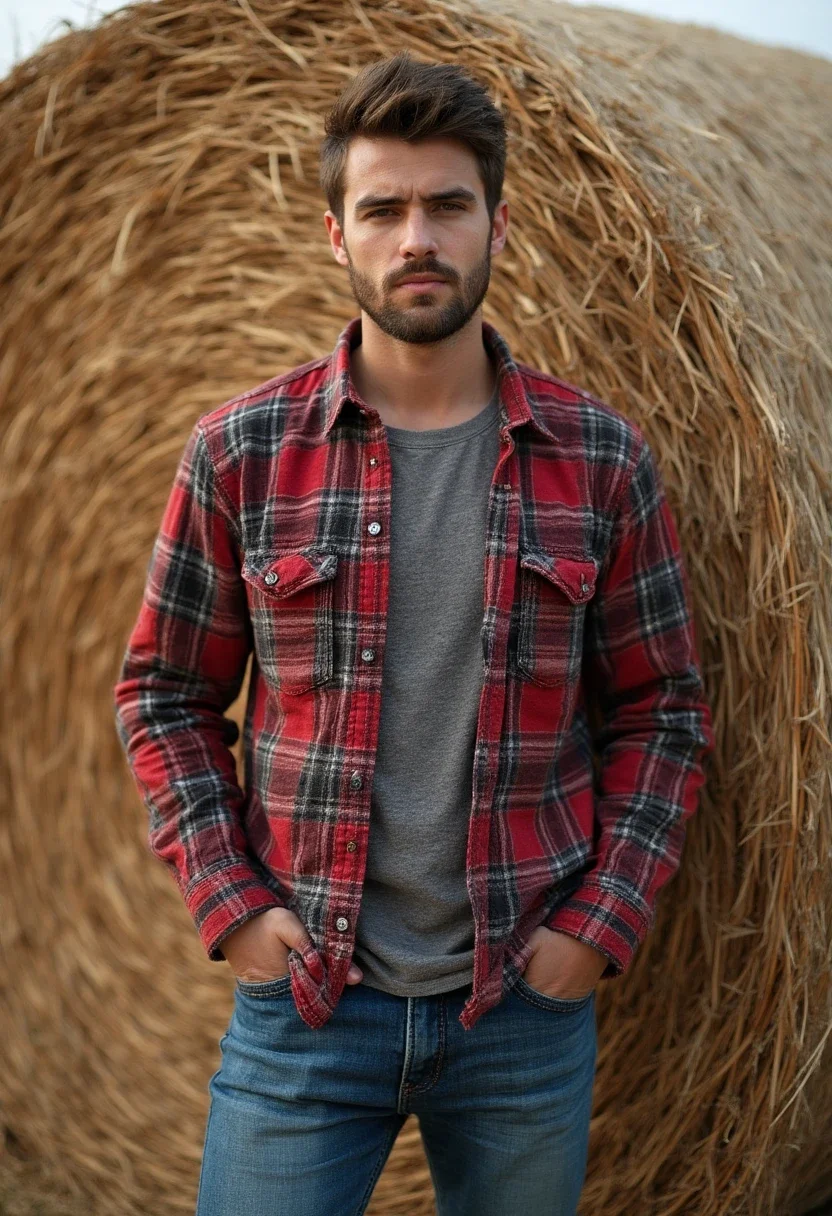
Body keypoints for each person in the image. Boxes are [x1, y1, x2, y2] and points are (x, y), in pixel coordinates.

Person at [113, 49, 714, 1216]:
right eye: (382, 208)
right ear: (336, 234)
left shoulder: (601, 460)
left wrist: (596, 928)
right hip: (307, 1006)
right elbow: (163, 695)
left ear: (497, 221)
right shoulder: (240, 451)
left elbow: (663, 710)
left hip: (522, 1014)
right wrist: (235, 910)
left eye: (446, 205)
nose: (416, 238)